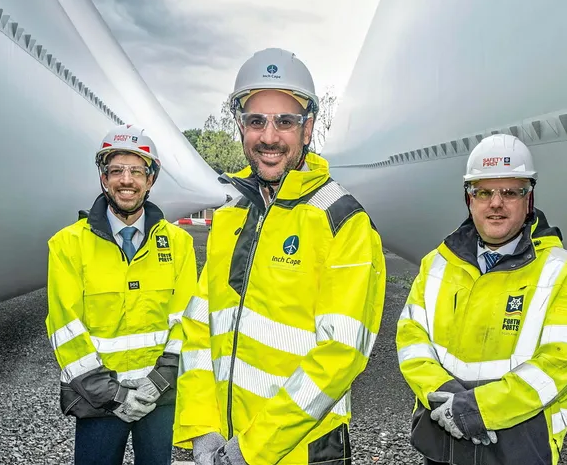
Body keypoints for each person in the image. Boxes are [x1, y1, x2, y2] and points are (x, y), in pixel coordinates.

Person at [171, 47, 387, 465]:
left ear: (307, 130)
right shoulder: (232, 215)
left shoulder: (343, 221)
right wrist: (201, 427)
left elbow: (341, 354)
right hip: (223, 446)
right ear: (241, 127)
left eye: (285, 121)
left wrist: (252, 449)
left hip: (301, 452)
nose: (269, 137)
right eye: (256, 121)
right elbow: (199, 327)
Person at [396, 134, 567, 465]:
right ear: (469, 199)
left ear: (528, 199)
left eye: (510, 192)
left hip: (518, 448)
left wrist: (478, 409)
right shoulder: (438, 264)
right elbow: (411, 338)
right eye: (484, 192)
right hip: (443, 439)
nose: (496, 203)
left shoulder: (566, 272)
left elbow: (557, 364)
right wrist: (444, 393)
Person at [45, 124, 197, 465]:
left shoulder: (179, 244)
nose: (126, 180)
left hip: (159, 398)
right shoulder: (68, 246)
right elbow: (65, 330)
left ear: (151, 179)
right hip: (97, 401)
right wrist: (114, 395)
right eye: (116, 170)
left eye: (136, 171)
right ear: (103, 178)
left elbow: (187, 321)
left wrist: (157, 383)